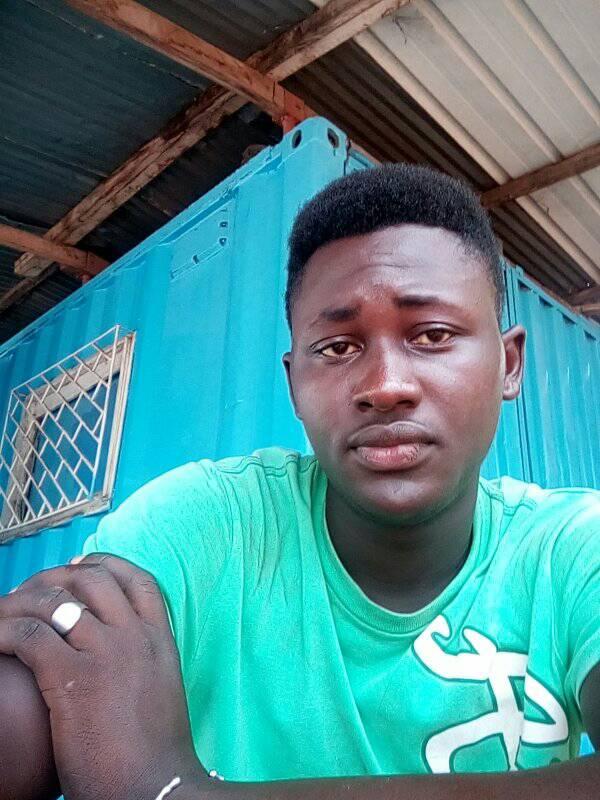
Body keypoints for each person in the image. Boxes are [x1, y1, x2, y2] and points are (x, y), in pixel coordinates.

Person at [0, 164, 598, 800]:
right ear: (293, 384)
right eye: (338, 347)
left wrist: (176, 791)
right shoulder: (206, 526)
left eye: (432, 334)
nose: (385, 386)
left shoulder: (571, 550)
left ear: (509, 365)